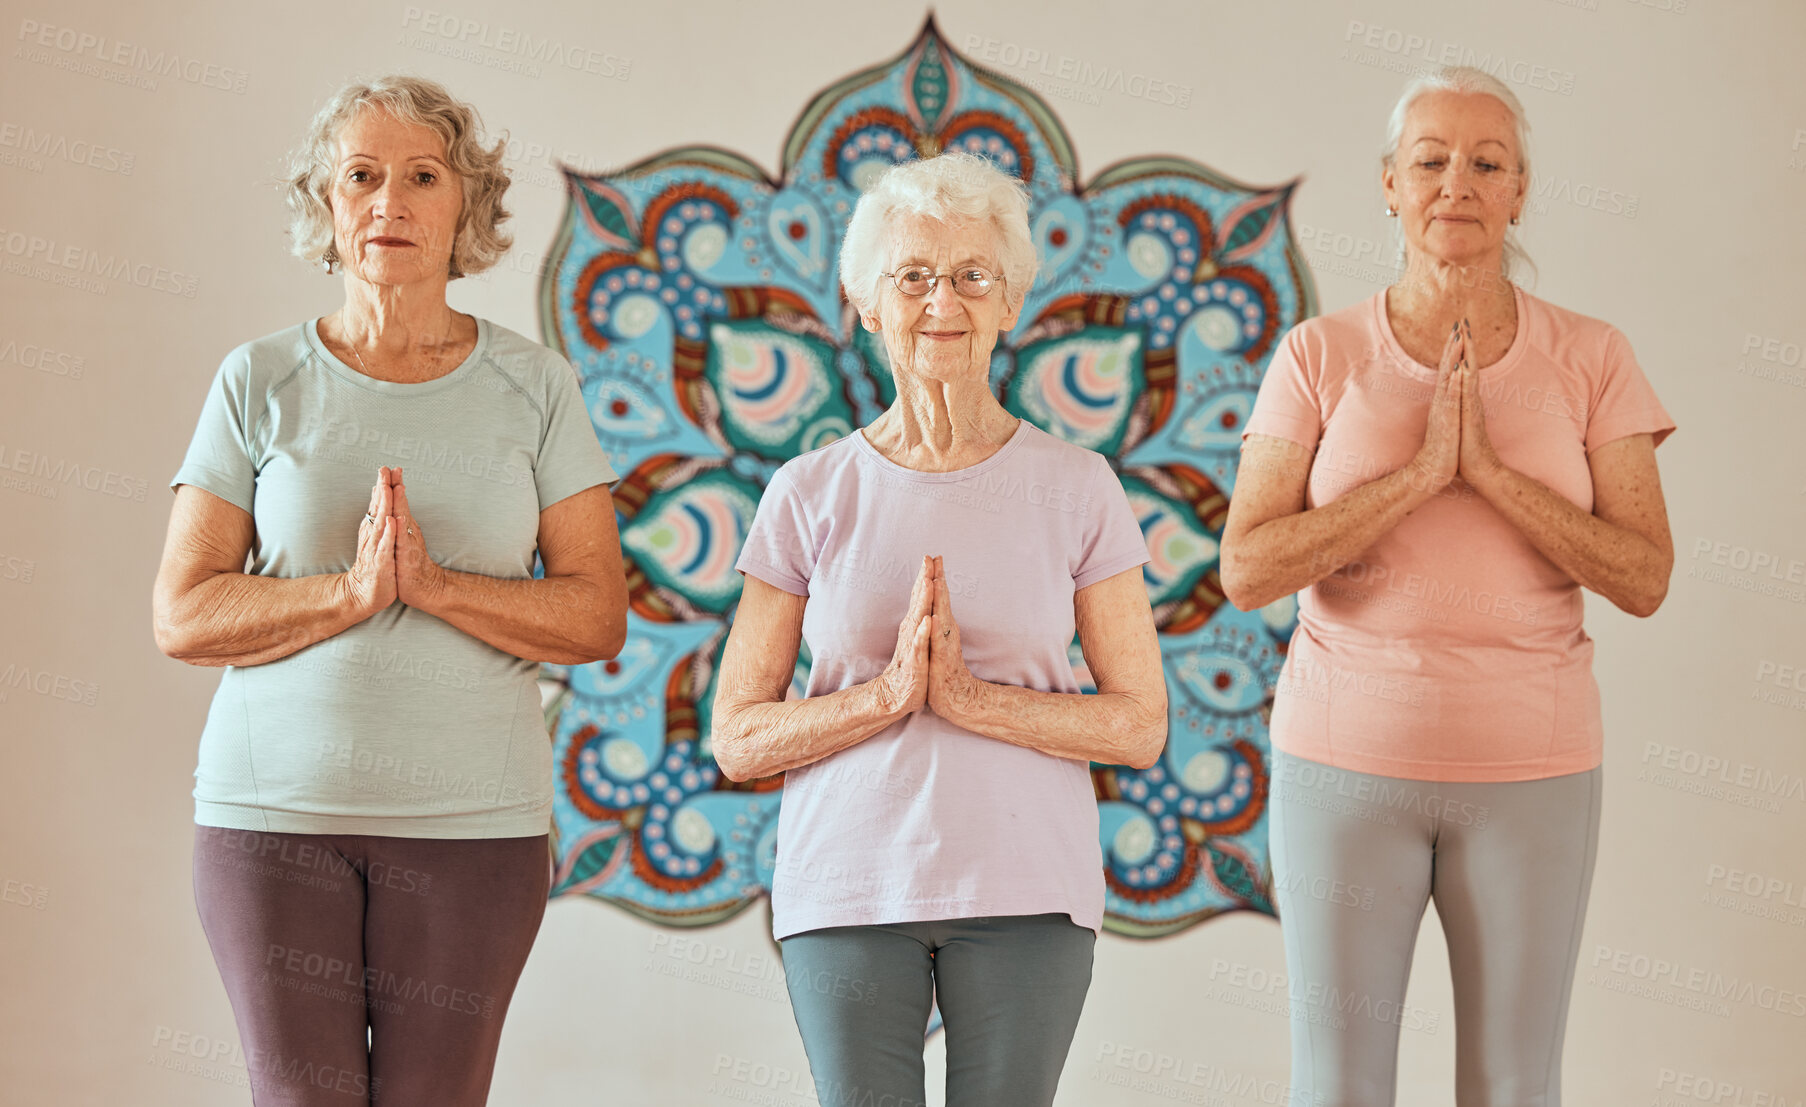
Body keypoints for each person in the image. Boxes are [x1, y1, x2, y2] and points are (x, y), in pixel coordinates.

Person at [152, 75, 628, 1105]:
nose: (389, 202)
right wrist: (350, 594)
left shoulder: (535, 384)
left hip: (476, 831)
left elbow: (595, 612)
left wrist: (437, 586)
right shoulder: (257, 379)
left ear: (467, 207)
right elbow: (184, 613)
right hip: (270, 820)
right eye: (360, 176)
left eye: (422, 176)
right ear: (326, 204)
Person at [1220, 66, 1676, 1106]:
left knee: (1515, 1086)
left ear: (1520, 190)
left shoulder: (1593, 357)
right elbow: (1247, 568)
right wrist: (1421, 476)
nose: (1455, 184)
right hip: (1342, 770)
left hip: (1534, 773)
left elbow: (1644, 575)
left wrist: (1497, 479)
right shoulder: (1318, 355)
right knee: (1337, 1086)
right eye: (1429, 161)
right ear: (1389, 184)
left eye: (1486, 163)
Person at [710, 151, 1167, 1107]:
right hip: (845, 891)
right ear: (868, 305)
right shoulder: (807, 493)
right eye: (912, 277)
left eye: (971, 276)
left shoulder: (1079, 486)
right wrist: (889, 696)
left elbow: (1138, 725)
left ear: (1010, 302)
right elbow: (739, 737)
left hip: (1028, 892)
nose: (941, 301)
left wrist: (967, 699)